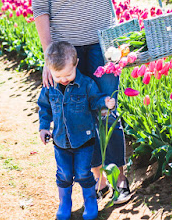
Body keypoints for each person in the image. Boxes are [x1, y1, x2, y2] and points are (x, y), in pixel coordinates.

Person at [27, 0, 139, 205]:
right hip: (67, 50)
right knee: (79, 118)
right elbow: (41, 8)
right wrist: (50, 57)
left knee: (107, 111)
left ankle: (117, 180)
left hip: (105, 41)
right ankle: (96, 178)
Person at [38, 41, 116, 220]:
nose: (64, 79)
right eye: (58, 76)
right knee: (64, 174)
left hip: (84, 141)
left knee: (83, 173)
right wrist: (43, 128)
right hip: (60, 141)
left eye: (68, 74)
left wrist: (105, 101)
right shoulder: (50, 88)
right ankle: (64, 203)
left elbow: (94, 100)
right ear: (50, 70)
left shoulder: (86, 84)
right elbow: (44, 108)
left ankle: (90, 201)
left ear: (76, 64)